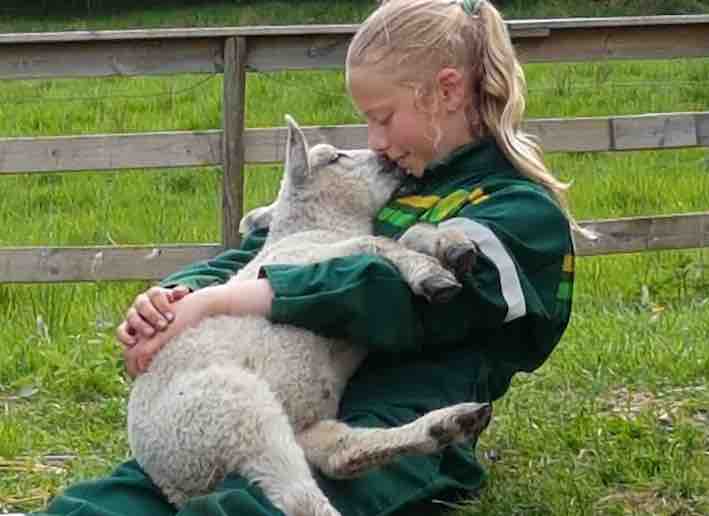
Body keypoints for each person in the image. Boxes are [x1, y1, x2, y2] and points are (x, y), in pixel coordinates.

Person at [34, 0, 577, 515]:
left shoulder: (518, 211)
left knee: (257, 504)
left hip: (397, 405)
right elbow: (268, 249)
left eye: (383, 117)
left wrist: (239, 298)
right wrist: (178, 299)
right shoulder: (394, 186)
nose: (374, 141)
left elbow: (402, 296)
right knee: (113, 498)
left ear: (447, 91)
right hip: (276, 388)